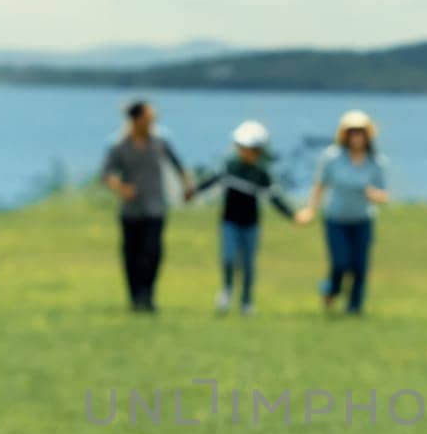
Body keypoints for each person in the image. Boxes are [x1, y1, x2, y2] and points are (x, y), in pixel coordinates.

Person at [194, 120, 299, 315]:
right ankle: (226, 292)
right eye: (243, 148)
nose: (246, 152)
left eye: (251, 149)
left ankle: (246, 301)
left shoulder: (261, 173)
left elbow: (275, 199)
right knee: (229, 257)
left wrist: (293, 215)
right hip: (229, 222)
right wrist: (192, 191)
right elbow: (209, 182)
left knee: (248, 264)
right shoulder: (230, 166)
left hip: (251, 224)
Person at [101, 100, 194, 312]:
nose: (152, 122)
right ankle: (135, 297)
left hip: (155, 207)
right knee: (132, 255)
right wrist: (121, 188)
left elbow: (178, 163)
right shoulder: (119, 145)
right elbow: (106, 174)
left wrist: (187, 185)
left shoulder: (160, 141)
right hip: (131, 210)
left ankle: (148, 295)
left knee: (152, 252)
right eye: (148, 119)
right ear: (135, 120)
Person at [295, 110, 389, 315]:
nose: (357, 137)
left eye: (360, 132)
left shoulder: (376, 162)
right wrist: (310, 210)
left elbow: (383, 194)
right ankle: (330, 292)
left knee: (359, 267)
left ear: (367, 135)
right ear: (345, 135)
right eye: (353, 132)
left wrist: (375, 195)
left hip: (362, 219)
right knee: (340, 263)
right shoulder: (332, 157)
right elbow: (320, 186)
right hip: (336, 219)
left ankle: (354, 308)